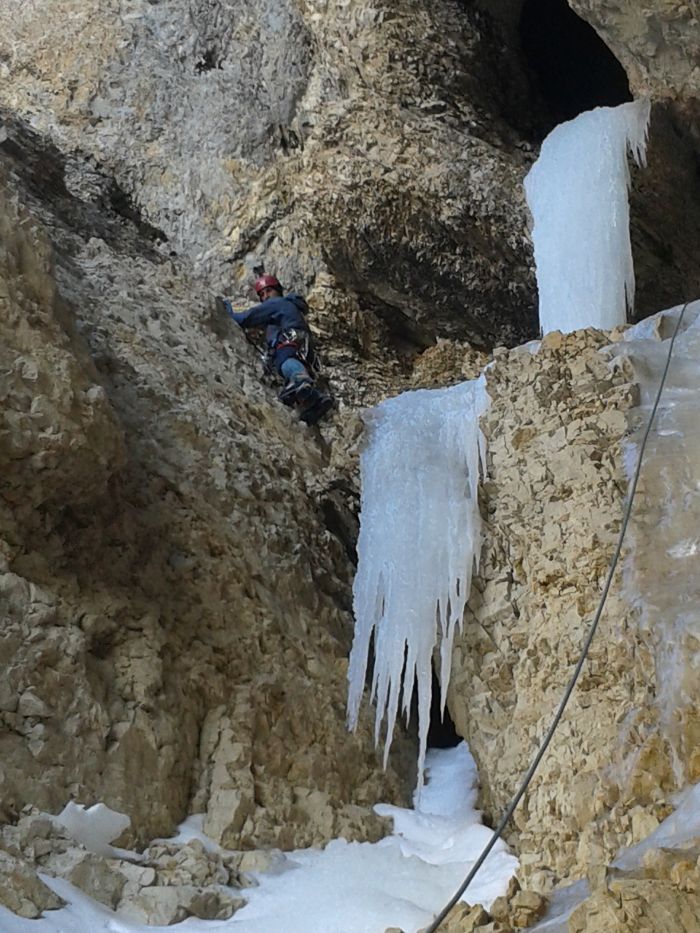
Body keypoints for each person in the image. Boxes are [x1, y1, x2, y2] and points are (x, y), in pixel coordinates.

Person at [218, 274, 333, 425]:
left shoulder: (277, 303)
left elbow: (247, 318)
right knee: (291, 371)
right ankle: (314, 400)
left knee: (285, 362)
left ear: (278, 291)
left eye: (268, 291)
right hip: (304, 347)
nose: (265, 296)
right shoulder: (291, 307)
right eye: (261, 294)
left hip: (289, 342)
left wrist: (227, 312)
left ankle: (300, 379)